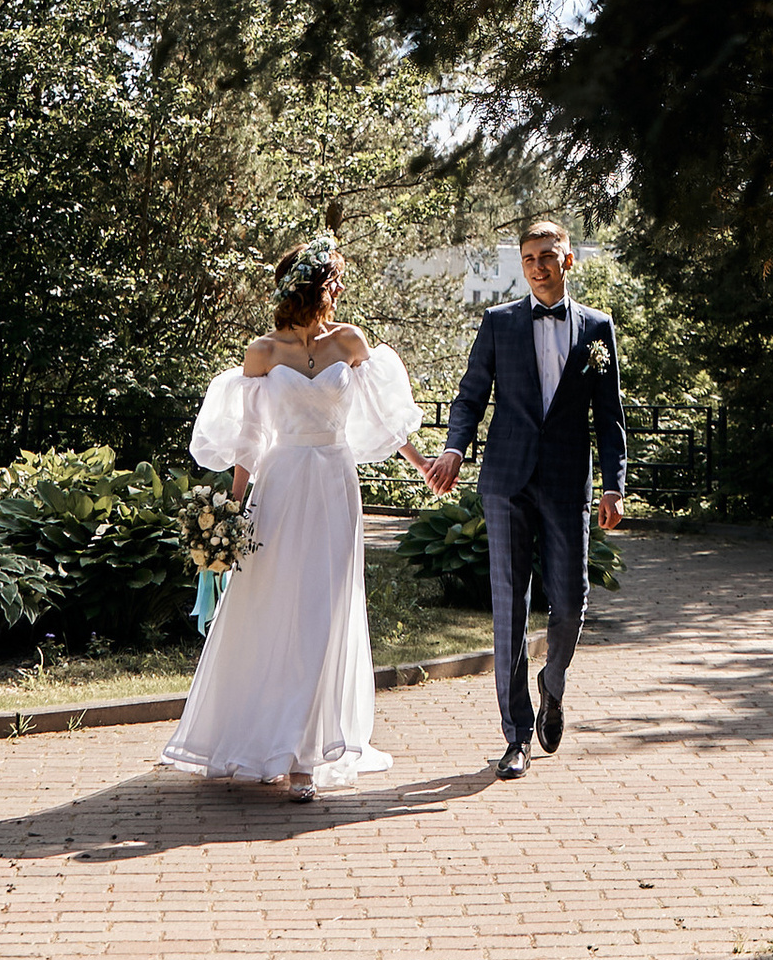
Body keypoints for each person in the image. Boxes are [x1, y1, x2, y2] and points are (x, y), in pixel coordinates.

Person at [159, 230, 432, 797]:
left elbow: (383, 417)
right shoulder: (262, 353)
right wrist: (231, 513)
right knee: (271, 604)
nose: (339, 287)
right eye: (334, 278)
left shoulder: (350, 343)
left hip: (334, 483)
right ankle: (260, 739)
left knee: (324, 611)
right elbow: (249, 438)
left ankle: (307, 756)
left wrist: (422, 462)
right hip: (280, 487)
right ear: (314, 285)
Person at [427, 220, 626, 780]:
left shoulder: (596, 329)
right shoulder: (498, 323)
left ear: (568, 261)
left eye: (548, 255)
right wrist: (454, 449)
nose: (538, 266)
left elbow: (609, 417)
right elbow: (471, 396)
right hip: (507, 481)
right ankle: (515, 736)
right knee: (509, 609)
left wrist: (614, 483)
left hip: (567, 483)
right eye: (529, 258)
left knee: (571, 603)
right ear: (523, 266)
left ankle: (552, 684)